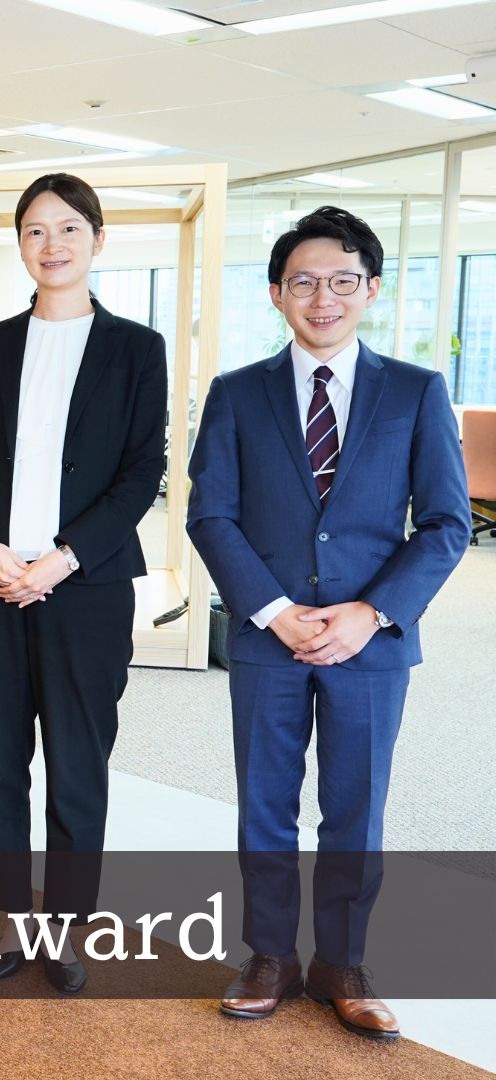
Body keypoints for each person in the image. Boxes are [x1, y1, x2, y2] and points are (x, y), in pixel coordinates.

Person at [188, 206, 469, 1041]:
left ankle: (342, 963)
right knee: (265, 803)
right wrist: (275, 612)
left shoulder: (416, 391)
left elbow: (446, 523)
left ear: (371, 290)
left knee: (355, 807)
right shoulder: (237, 393)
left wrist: (371, 612)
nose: (324, 298)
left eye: (343, 281)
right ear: (277, 293)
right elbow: (211, 516)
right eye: (304, 282)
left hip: (369, 643)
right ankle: (270, 956)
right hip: (267, 638)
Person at [0, 173, 166, 995]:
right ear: (20, 245)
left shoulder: (136, 348)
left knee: (77, 765)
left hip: (87, 588)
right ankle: (5, 917)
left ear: (98, 240)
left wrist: (62, 559)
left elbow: (142, 472)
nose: (52, 244)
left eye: (69, 228)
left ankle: (67, 925)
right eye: (35, 230)